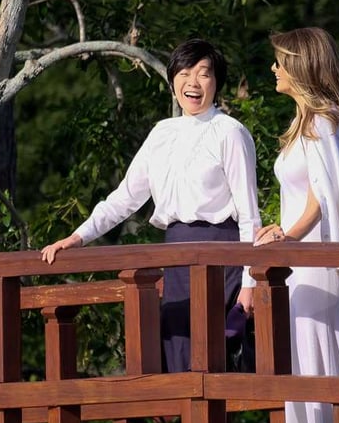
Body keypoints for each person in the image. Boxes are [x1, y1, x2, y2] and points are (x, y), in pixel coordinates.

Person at [41, 38, 261, 373]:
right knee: (177, 356)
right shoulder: (162, 133)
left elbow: (249, 214)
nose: (193, 83)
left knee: (209, 361)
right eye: (185, 73)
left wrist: (250, 284)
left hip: (222, 253)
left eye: (204, 74)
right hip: (175, 254)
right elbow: (125, 197)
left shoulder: (230, 132)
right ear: (173, 79)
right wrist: (77, 237)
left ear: (217, 82)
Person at [253, 27, 339, 423]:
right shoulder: (314, 123)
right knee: (307, 358)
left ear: (301, 67)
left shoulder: (324, 122)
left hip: (318, 263)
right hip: (306, 264)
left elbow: (323, 199)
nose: (273, 69)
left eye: (280, 61)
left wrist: (288, 237)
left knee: (321, 355)